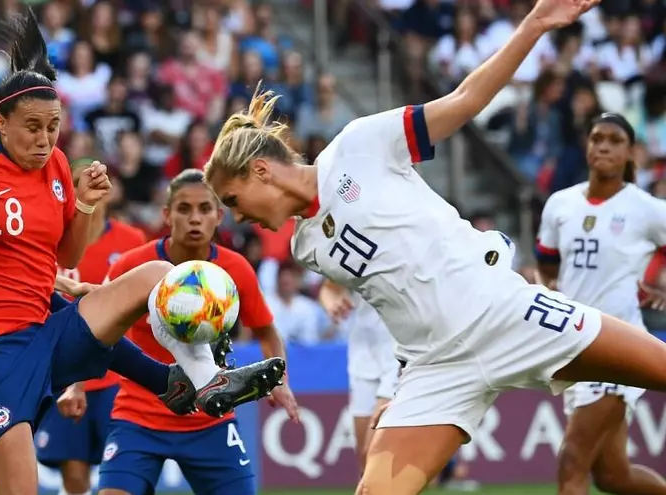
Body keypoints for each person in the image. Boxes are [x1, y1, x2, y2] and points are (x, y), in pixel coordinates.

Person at [202, 0, 666, 492]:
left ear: (260, 170)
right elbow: (396, 300)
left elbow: (465, 100)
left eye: (232, 199)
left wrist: (535, 24)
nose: (236, 216)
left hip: (507, 313)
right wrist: (395, 388)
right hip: (437, 369)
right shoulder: (307, 247)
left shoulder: (359, 145)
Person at [0, 11, 284, 494]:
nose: (45, 139)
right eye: (32, 127)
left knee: (157, 271)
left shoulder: (56, 166)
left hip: (44, 331)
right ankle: (165, 380)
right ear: (1, 123)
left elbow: (66, 250)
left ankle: (197, 379)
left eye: (53, 127)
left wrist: (87, 202)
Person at [97, 169, 299, 495]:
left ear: (219, 216)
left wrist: (282, 382)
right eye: (184, 209)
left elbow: (266, 331)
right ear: (167, 214)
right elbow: (97, 324)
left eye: (204, 209)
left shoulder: (235, 269)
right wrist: (76, 387)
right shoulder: (133, 264)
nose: (195, 218)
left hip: (210, 418)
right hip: (139, 416)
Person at [536, 113, 666, 495]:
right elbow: (547, 264)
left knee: (571, 462)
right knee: (613, 477)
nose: (603, 146)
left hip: (617, 347)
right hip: (573, 347)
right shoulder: (560, 204)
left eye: (614, 140)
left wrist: (659, 283)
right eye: (596, 138)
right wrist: (548, 289)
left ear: (631, 153)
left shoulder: (646, 208)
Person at [36, 160, 147, 495]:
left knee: (119, 475)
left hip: (115, 376)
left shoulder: (132, 240)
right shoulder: (51, 240)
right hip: (63, 372)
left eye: (99, 180)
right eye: (78, 181)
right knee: (74, 475)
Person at [317, 280, 398, 477]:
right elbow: (329, 288)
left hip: (399, 352)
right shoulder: (359, 251)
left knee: (374, 453)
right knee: (364, 462)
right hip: (363, 354)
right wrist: (332, 305)